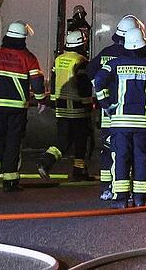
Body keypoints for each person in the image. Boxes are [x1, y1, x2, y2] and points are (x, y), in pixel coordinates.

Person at [94, 27, 146, 208]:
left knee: (120, 158)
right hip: (143, 122)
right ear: (144, 44)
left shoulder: (115, 64)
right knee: (141, 158)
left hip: (120, 122)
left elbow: (99, 81)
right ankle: (140, 198)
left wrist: (105, 104)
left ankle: (121, 199)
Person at [0, 21, 45, 192]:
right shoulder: (29, 58)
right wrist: (41, 100)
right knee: (13, 141)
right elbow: (37, 84)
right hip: (17, 108)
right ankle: (10, 180)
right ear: (23, 39)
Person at [86, 14, 144, 201]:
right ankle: (124, 189)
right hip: (126, 111)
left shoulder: (105, 53)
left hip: (106, 111)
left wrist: (101, 91)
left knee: (107, 148)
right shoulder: (131, 55)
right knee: (125, 150)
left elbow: (90, 71)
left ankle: (107, 187)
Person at [37, 30, 94, 181]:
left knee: (63, 139)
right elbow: (84, 86)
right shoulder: (81, 61)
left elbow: (55, 81)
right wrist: (89, 104)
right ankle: (74, 169)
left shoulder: (59, 59)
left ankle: (49, 162)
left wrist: (55, 102)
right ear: (82, 43)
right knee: (81, 140)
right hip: (77, 108)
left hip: (61, 107)